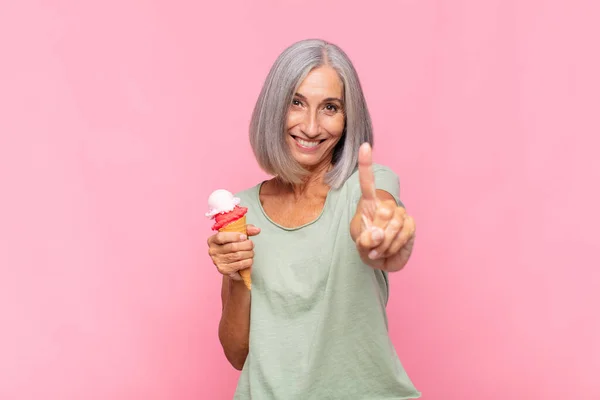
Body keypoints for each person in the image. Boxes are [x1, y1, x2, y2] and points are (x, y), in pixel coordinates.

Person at [207, 38, 421, 399]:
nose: (310, 126)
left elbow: (374, 226)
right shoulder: (241, 211)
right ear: (275, 107)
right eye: (296, 102)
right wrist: (234, 274)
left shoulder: (367, 189)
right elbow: (237, 354)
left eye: (330, 107)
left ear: (348, 118)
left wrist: (382, 237)